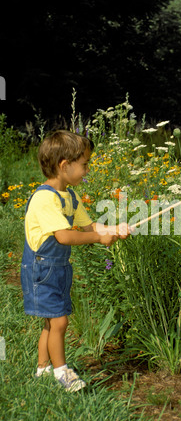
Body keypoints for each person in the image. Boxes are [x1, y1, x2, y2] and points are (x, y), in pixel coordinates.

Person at [21, 130, 130, 392]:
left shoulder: (70, 196)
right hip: (41, 268)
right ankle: (62, 372)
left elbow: (89, 225)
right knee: (59, 321)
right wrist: (97, 238)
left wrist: (113, 229)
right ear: (64, 165)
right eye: (85, 164)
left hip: (57, 267)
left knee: (51, 320)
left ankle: (43, 368)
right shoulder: (44, 198)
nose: (87, 170)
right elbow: (64, 237)